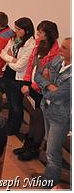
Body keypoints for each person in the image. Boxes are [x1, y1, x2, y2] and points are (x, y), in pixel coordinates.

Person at [16, 20, 60, 161]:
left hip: (44, 92)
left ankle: (33, 148)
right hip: (33, 86)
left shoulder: (55, 54)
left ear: (48, 35)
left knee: (38, 119)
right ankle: (27, 145)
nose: (37, 35)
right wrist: (26, 82)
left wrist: (35, 85)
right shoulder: (38, 46)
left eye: (40, 33)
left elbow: (50, 77)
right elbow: (31, 65)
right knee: (34, 117)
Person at [35, 36, 71, 186]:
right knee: (48, 144)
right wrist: (49, 85)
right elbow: (38, 75)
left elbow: (58, 97)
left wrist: (46, 83)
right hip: (47, 107)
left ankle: (49, 183)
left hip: (61, 116)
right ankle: (48, 177)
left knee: (52, 152)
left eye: (64, 48)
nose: (59, 49)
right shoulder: (57, 60)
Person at [0, 17, 35, 135]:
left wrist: (11, 59)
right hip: (8, 74)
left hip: (18, 79)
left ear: (27, 30)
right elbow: (2, 53)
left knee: (16, 105)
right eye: (16, 28)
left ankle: (14, 128)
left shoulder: (31, 45)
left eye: (19, 29)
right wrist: (12, 59)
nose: (16, 31)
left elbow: (20, 66)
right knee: (10, 102)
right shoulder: (15, 38)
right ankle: (9, 124)